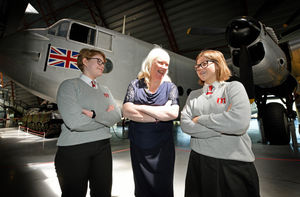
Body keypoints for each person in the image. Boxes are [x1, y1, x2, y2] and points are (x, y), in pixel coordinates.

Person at [181, 50, 260, 197]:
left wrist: (199, 119)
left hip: (232, 164)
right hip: (199, 162)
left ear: (218, 64)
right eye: (197, 66)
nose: (200, 68)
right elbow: (185, 125)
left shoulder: (233, 88)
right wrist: (224, 126)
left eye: (204, 63)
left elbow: (239, 124)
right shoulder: (194, 95)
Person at [55, 48, 122, 197]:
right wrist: (106, 118)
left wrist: (93, 114)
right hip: (74, 150)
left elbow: (117, 115)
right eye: (98, 61)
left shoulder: (105, 90)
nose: (102, 65)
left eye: (103, 63)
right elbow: (74, 122)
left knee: (103, 192)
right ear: (85, 61)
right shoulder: (69, 86)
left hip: (103, 148)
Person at [122, 47, 179, 197]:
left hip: (163, 148)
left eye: (167, 64)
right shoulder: (135, 85)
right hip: (139, 146)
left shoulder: (170, 88)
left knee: (163, 185)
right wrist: (159, 114)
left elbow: (173, 113)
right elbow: (127, 111)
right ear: (150, 63)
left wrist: (139, 107)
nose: (164, 67)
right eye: (160, 63)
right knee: (142, 187)